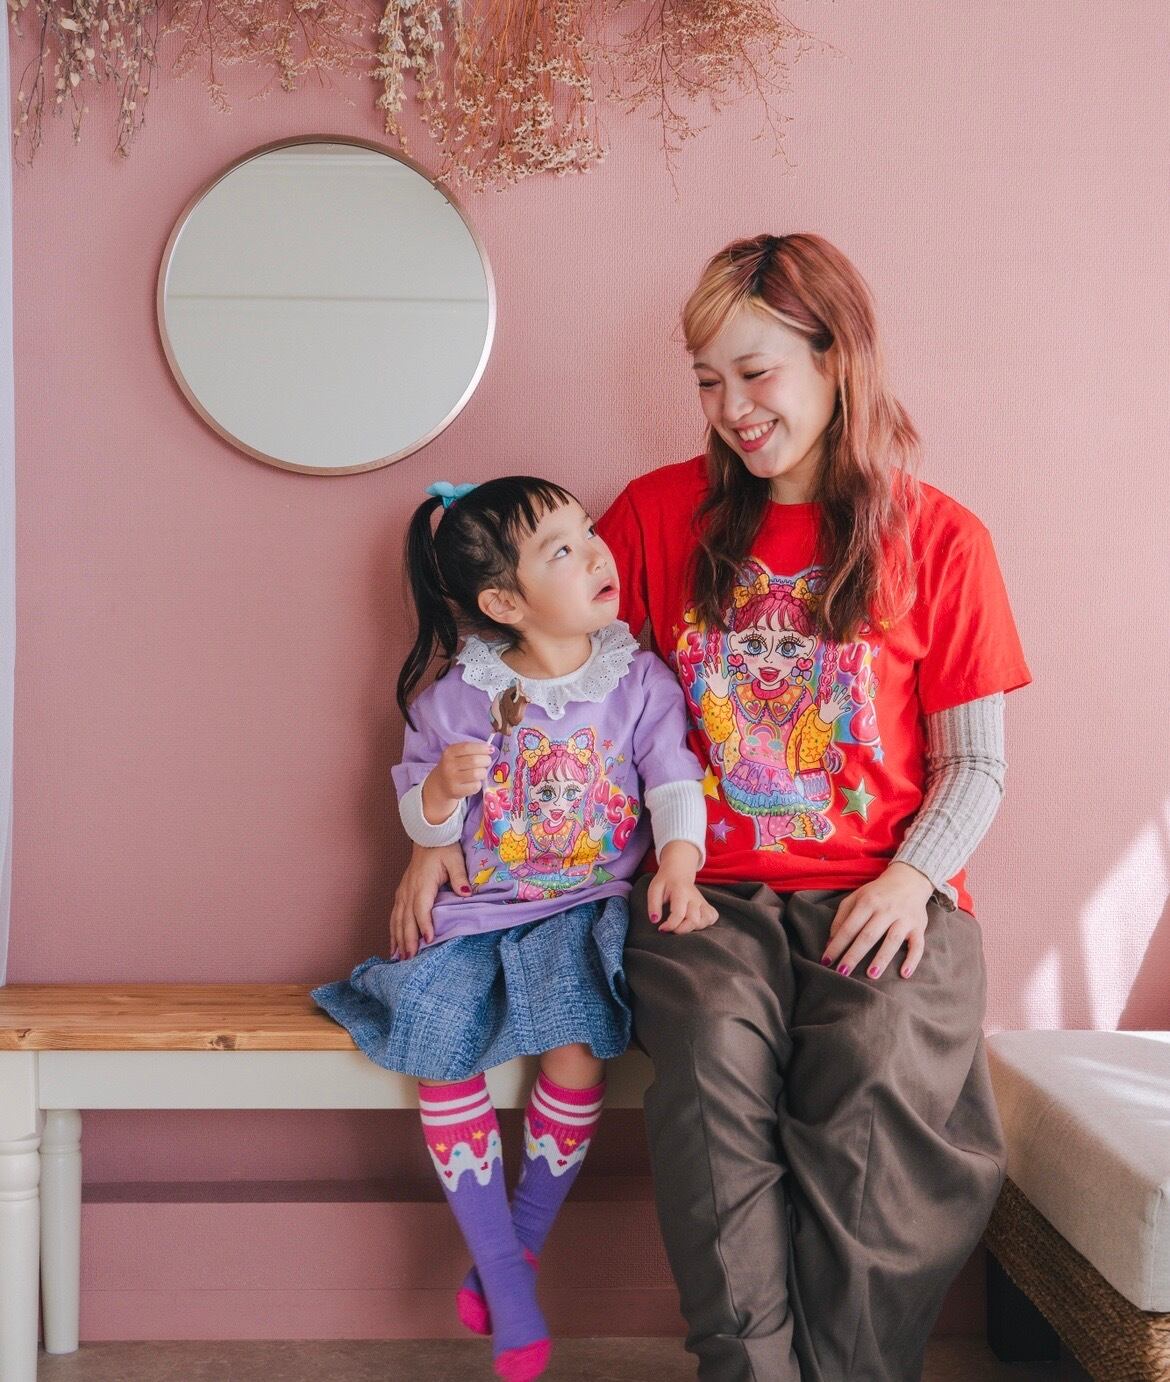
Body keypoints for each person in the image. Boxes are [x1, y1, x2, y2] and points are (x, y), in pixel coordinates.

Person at [390, 235, 1032, 1381]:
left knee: (881, 1083)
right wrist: (438, 830)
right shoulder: (651, 516)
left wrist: (910, 879)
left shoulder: (942, 539)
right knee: (711, 1077)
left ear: (837, 358)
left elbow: (974, 765)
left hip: (887, 891)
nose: (731, 407)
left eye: (755, 371)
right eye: (706, 379)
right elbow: (539, 670)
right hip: (704, 893)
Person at [312, 476, 708, 1382]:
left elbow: (673, 778)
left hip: (582, 908)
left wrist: (680, 862)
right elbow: (422, 819)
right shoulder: (459, 696)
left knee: (576, 1045)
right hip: (480, 912)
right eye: (562, 550)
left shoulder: (637, 679)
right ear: (502, 603)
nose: (597, 554)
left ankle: (520, 1241)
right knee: (436, 1041)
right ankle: (501, 1269)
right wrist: (438, 796)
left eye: (588, 533)